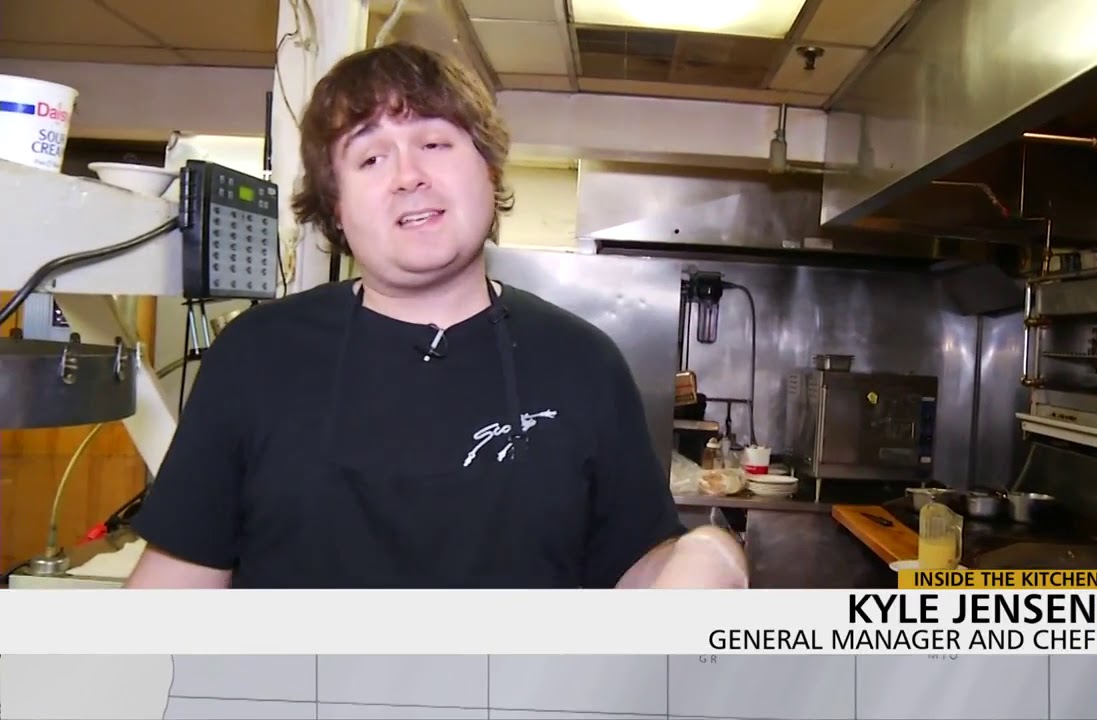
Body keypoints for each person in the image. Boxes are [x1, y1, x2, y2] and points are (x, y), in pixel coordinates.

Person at [125, 43, 747, 590]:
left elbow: (635, 574)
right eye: (369, 158)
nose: (408, 176)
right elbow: (177, 584)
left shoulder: (583, 362)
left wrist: (707, 555)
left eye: (434, 143)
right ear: (337, 208)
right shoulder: (255, 356)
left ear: (489, 170)